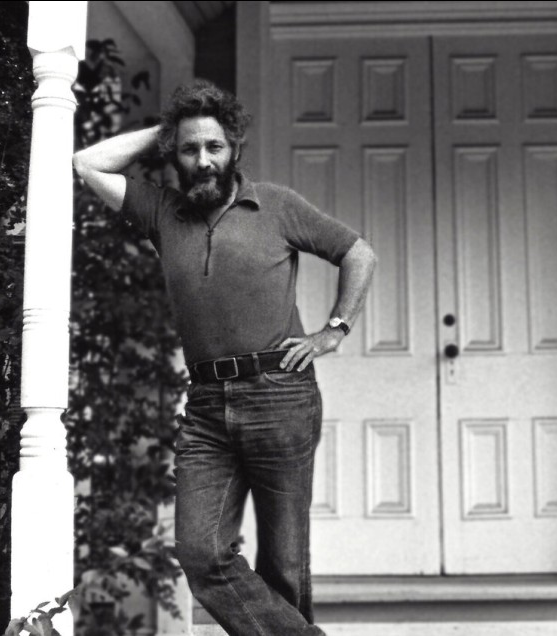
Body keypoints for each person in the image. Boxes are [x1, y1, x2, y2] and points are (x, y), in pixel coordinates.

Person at [72, 79, 375, 635]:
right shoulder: (162, 212)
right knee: (200, 552)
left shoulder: (276, 205)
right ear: (175, 153)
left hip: (280, 393)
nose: (203, 160)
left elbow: (358, 253)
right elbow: (86, 163)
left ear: (234, 147)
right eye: (190, 149)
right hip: (207, 406)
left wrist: (334, 330)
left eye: (214, 146)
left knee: (284, 561)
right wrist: (165, 131)